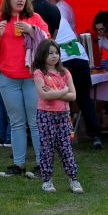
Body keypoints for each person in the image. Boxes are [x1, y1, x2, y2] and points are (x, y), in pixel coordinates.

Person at [0, 0, 47, 178]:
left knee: (35, 121)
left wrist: (32, 30)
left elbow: (48, 43)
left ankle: (42, 164)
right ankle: (18, 164)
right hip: (8, 78)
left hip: (32, 77)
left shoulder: (35, 18)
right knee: (16, 122)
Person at [31, 39, 83, 194]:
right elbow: (44, 95)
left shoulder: (65, 72)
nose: (54, 56)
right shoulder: (39, 73)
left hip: (63, 115)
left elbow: (73, 96)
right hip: (45, 115)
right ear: (42, 55)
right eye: (50, 53)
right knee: (47, 148)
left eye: (56, 53)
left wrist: (54, 93)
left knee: (66, 148)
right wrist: (63, 91)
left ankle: (74, 179)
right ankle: (47, 180)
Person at [53, 16, 101, 149]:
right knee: (85, 99)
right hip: (80, 56)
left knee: (63, 100)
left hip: (64, 59)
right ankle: (95, 136)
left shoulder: (46, 18)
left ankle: (65, 136)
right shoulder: (62, 18)